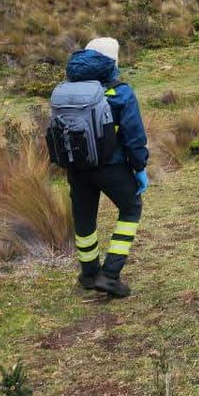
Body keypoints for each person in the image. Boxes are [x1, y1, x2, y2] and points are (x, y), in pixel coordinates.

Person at [64, 37, 149, 298]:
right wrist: (139, 168)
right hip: (111, 167)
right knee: (131, 208)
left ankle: (89, 274)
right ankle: (110, 275)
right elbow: (134, 137)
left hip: (77, 167)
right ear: (113, 61)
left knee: (84, 217)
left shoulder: (66, 89)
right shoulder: (121, 91)